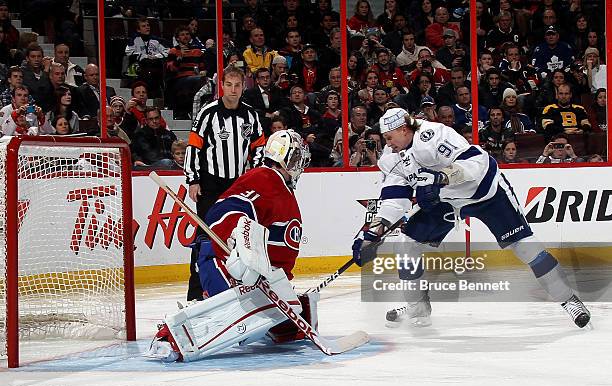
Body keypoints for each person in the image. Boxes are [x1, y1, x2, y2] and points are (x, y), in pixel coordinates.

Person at [352, 107, 591, 329]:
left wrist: (440, 178)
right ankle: (418, 308)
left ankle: (568, 299)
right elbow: (395, 198)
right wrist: (373, 231)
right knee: (406, 245)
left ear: (404, 130)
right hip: (445, 201)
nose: (388, 143)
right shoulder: (391, 156)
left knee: (526, 247)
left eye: (390, 137)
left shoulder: (433, 134)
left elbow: (475, 163)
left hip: (485, 193)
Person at [146, 130, 315, 362]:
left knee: (283, 316)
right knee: (230, 312)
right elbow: (227, 211)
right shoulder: (264, 178)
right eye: (296, 159)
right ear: (285, 158)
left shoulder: (280, 187)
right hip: (221, 258)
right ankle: (169, 338)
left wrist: (277, 281)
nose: (299, 166)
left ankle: (281, 327)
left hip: (254, 274)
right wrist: (241, 243)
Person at [184, 65, 267, 301]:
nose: (233, 89)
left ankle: (238, 286)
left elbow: (258, 147)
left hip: (238, 187)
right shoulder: (207, 113)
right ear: (221, 86)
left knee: (241, 235)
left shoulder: (250, 115)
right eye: (228, 84)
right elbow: (194, 147)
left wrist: (257, 175)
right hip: (210, 186)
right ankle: (197, 292)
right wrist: (193, 179)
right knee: (205, 237)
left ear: (243, 87)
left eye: (237, 85)